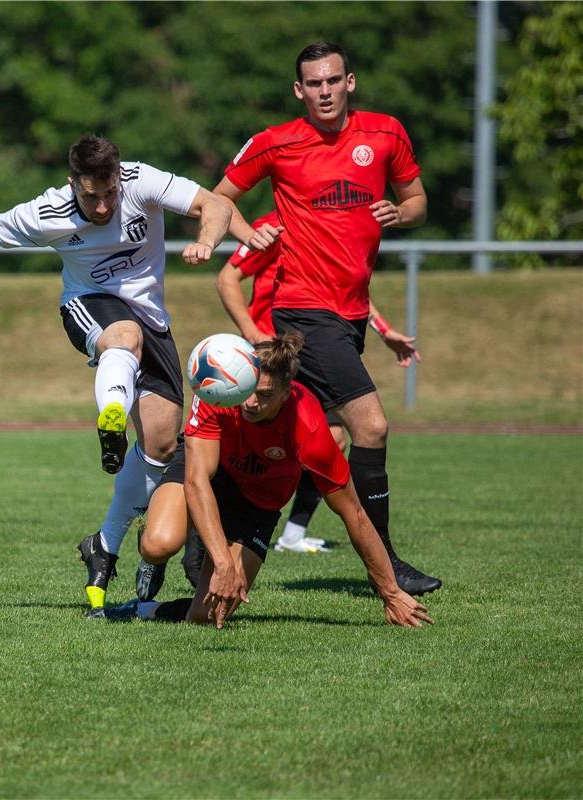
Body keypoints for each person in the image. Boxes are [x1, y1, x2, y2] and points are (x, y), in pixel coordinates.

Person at [0, 134, 232, 617]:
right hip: (89, 307)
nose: (101, 206)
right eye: (90, 195)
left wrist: (205, 240)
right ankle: (111, 412)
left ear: (120, 177)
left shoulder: (142, 181)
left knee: (161, 445)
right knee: (123, 337)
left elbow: (214, 203)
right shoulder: (47, 213)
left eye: (109, 193)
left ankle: (103, 543)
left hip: (154, 320)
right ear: (72, 183)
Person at [212, 42, 441, 595]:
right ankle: (386, 564)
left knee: (292, 431)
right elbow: (217, 197)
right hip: (304, 312)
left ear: (350, 82)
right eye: (313, 83)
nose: (324, 91)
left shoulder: (385, 135)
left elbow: (418, 201)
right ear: (299, 91)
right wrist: (249, 232)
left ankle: (209, 542)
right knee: (371, 426)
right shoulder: (276, 142)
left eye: (333, 80)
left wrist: (400, 213)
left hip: (351, 314)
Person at [113, 332, 434, 630]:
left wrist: (390, 593)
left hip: (257, 503)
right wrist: (224, 562)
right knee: (158, 544)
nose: (251, 402)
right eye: (249, 390)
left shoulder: (307, 427)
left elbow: (355, 515)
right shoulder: (221, 388)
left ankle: (143, 609)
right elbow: (198, 481)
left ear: (287, 389)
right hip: (210, 472)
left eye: (265, 395)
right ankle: (159, 555)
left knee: (208, 616)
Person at [215, 208, 421, 555]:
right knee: (263, 441)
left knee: (334, 438)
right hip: (272, 360)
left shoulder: (325, 231)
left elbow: (346, 294)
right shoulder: (274, 226)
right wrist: (253, 334)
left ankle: (291, 533)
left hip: (311, 353)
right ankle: (231, 519)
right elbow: (227, 279)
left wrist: (384, 330)